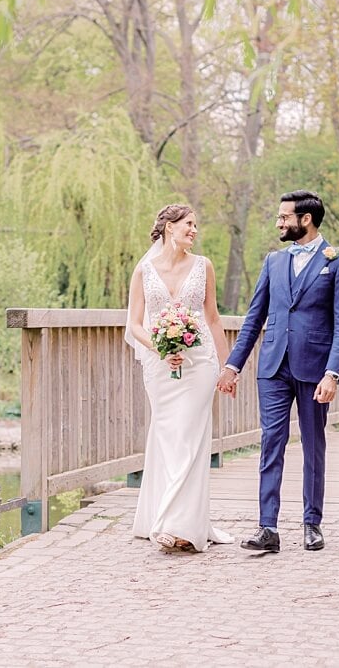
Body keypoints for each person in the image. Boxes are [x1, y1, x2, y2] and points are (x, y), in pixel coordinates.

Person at [216, 190, 339, 553]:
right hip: (272, 367)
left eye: (284, 217)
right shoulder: (273, 262)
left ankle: (312, 523)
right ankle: (268, 528)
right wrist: (233, 365)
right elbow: (254, 318)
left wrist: (333, 373)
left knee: (313, 446)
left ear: (305, 220)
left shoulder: (338, 262)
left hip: (314, 369)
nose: (279, 222)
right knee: (271, 444)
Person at [125, 204, 235, 552]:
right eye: (189, 224)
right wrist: (159, 348)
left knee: (190, 437)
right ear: (169, 227)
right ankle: (163, 514)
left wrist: (227, 366)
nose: (194, 230)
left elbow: (213, 318)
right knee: (167, 436)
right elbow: (133, 324)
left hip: (200, 363)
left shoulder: (204, 266)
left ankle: (179, 526)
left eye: (195, 225)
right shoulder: (144, 271)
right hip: (159, 367)